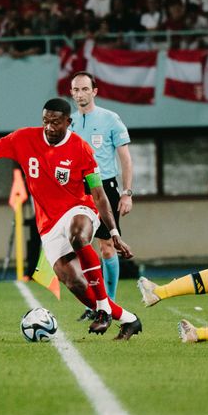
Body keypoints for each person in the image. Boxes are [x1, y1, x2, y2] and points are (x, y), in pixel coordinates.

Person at [0, 98, 143, 340]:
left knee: (78, 234)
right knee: (73, 282)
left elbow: (98, 194)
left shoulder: (81, 149)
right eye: (45, 121)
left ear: (68, 122)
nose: (50, 127)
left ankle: (103, 308)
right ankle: (129, 320)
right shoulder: (24, 139)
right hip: (48, 224)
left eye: (55, 122)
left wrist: (114, 233)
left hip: (79, 210)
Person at [69, 71, 133, 301]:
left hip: (105, 186)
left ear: (94, 91)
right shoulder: (69, 123)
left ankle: (110, 302)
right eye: (76, 89)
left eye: (85, 89)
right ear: (71, 93)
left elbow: (125, 158)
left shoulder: (110, 119)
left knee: (107, 246)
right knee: (82, 247)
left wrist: (126, 193)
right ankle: (94, 303)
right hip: (77, 188)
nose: (80, 94)